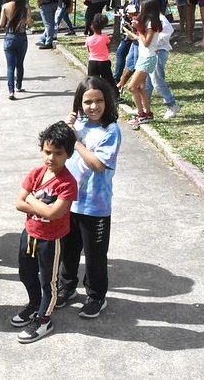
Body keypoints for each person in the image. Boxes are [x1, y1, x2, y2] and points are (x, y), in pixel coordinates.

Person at [57, 76, 121, 318]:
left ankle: (96, 296)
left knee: (94, 255)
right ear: (78, 103)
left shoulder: (111, 130)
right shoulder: (77, 126)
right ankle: (68, 286)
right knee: (69, 250)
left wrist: (76, 139)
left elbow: (97, 164)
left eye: (99, 100)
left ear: (107, 102)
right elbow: (57, 154)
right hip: (69, 202)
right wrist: (67, 128)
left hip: (96, 206)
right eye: (87, 101)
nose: (93, 106)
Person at [11, 121, 77, 344]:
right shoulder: (37, 173)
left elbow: (54, 214)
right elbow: (17, 203)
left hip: (51, 239)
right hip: (29, 233)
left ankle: (43, 320)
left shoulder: (67, 183)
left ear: (68, 154)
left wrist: (30, 198)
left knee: (48, 281)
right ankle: (34, 304)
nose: (51, 158)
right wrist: (38, 206)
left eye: (58, 153)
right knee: (26, 274)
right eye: (47, 152)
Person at [124, 0, 162, 127]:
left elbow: (146, 42)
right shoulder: (149, 22)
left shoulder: (151, 24)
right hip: (144, 57)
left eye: (141, 6)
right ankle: (147, 113)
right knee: (141, 87)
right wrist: (135, 30)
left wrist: (139, 29)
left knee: (131, 87)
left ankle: (141, 114)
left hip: (147, 58)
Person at [0, 0, 32, 100]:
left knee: (10, 66)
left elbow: (1, 23)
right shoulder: (25, 6)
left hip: (10, 37)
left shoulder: (5, 6)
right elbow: (30, 22)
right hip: (22, 37)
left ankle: (11, 91)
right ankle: (19, 85)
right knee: (20, 63)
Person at [85, 14, 115, 95]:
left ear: (92, 27)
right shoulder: (105, 37)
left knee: (92, 80)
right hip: (104, 61)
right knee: (108, 79)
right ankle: (115, 95)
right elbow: (108, 47)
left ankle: (91, 93)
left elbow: (88, 50)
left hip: (92, 62)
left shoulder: (88, 39)